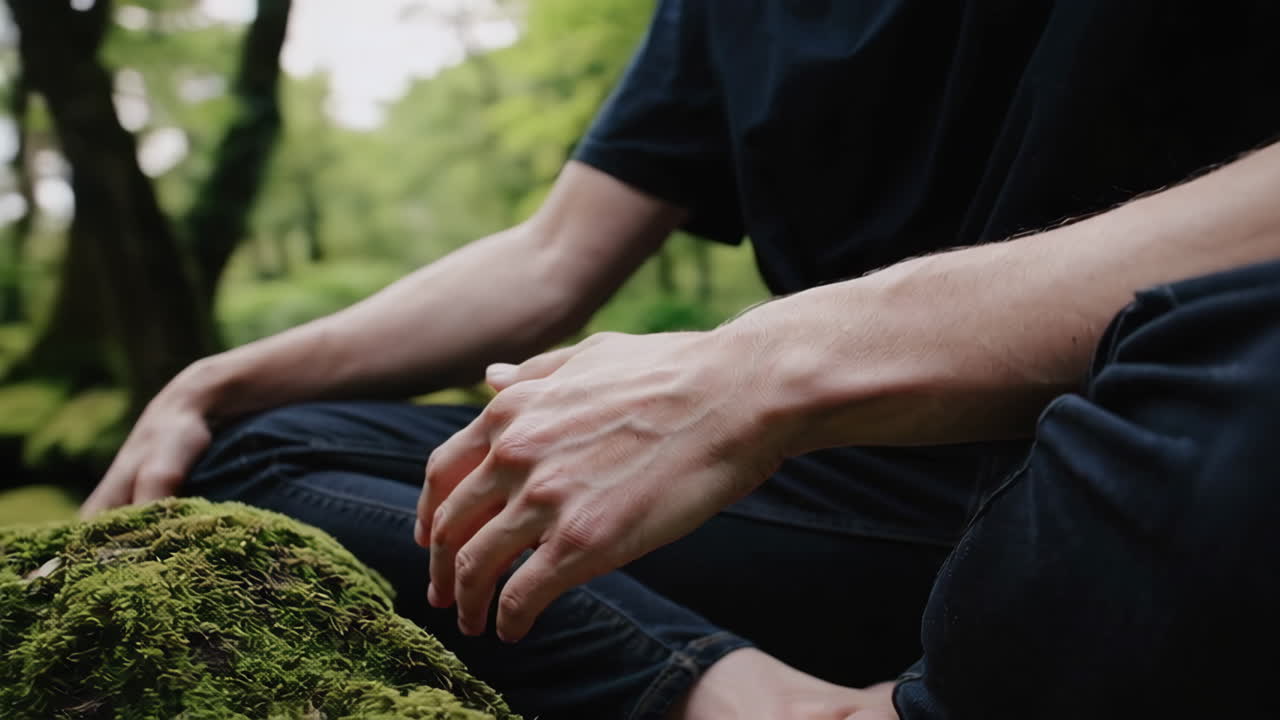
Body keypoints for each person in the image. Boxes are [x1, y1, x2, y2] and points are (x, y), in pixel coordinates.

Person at [83, 1, 1280, 718]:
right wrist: (215, 378)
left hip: (1148, 458)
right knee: (271, 450)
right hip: (856, 499)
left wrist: (762, 367)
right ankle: (758, 701)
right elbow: (551, 259)